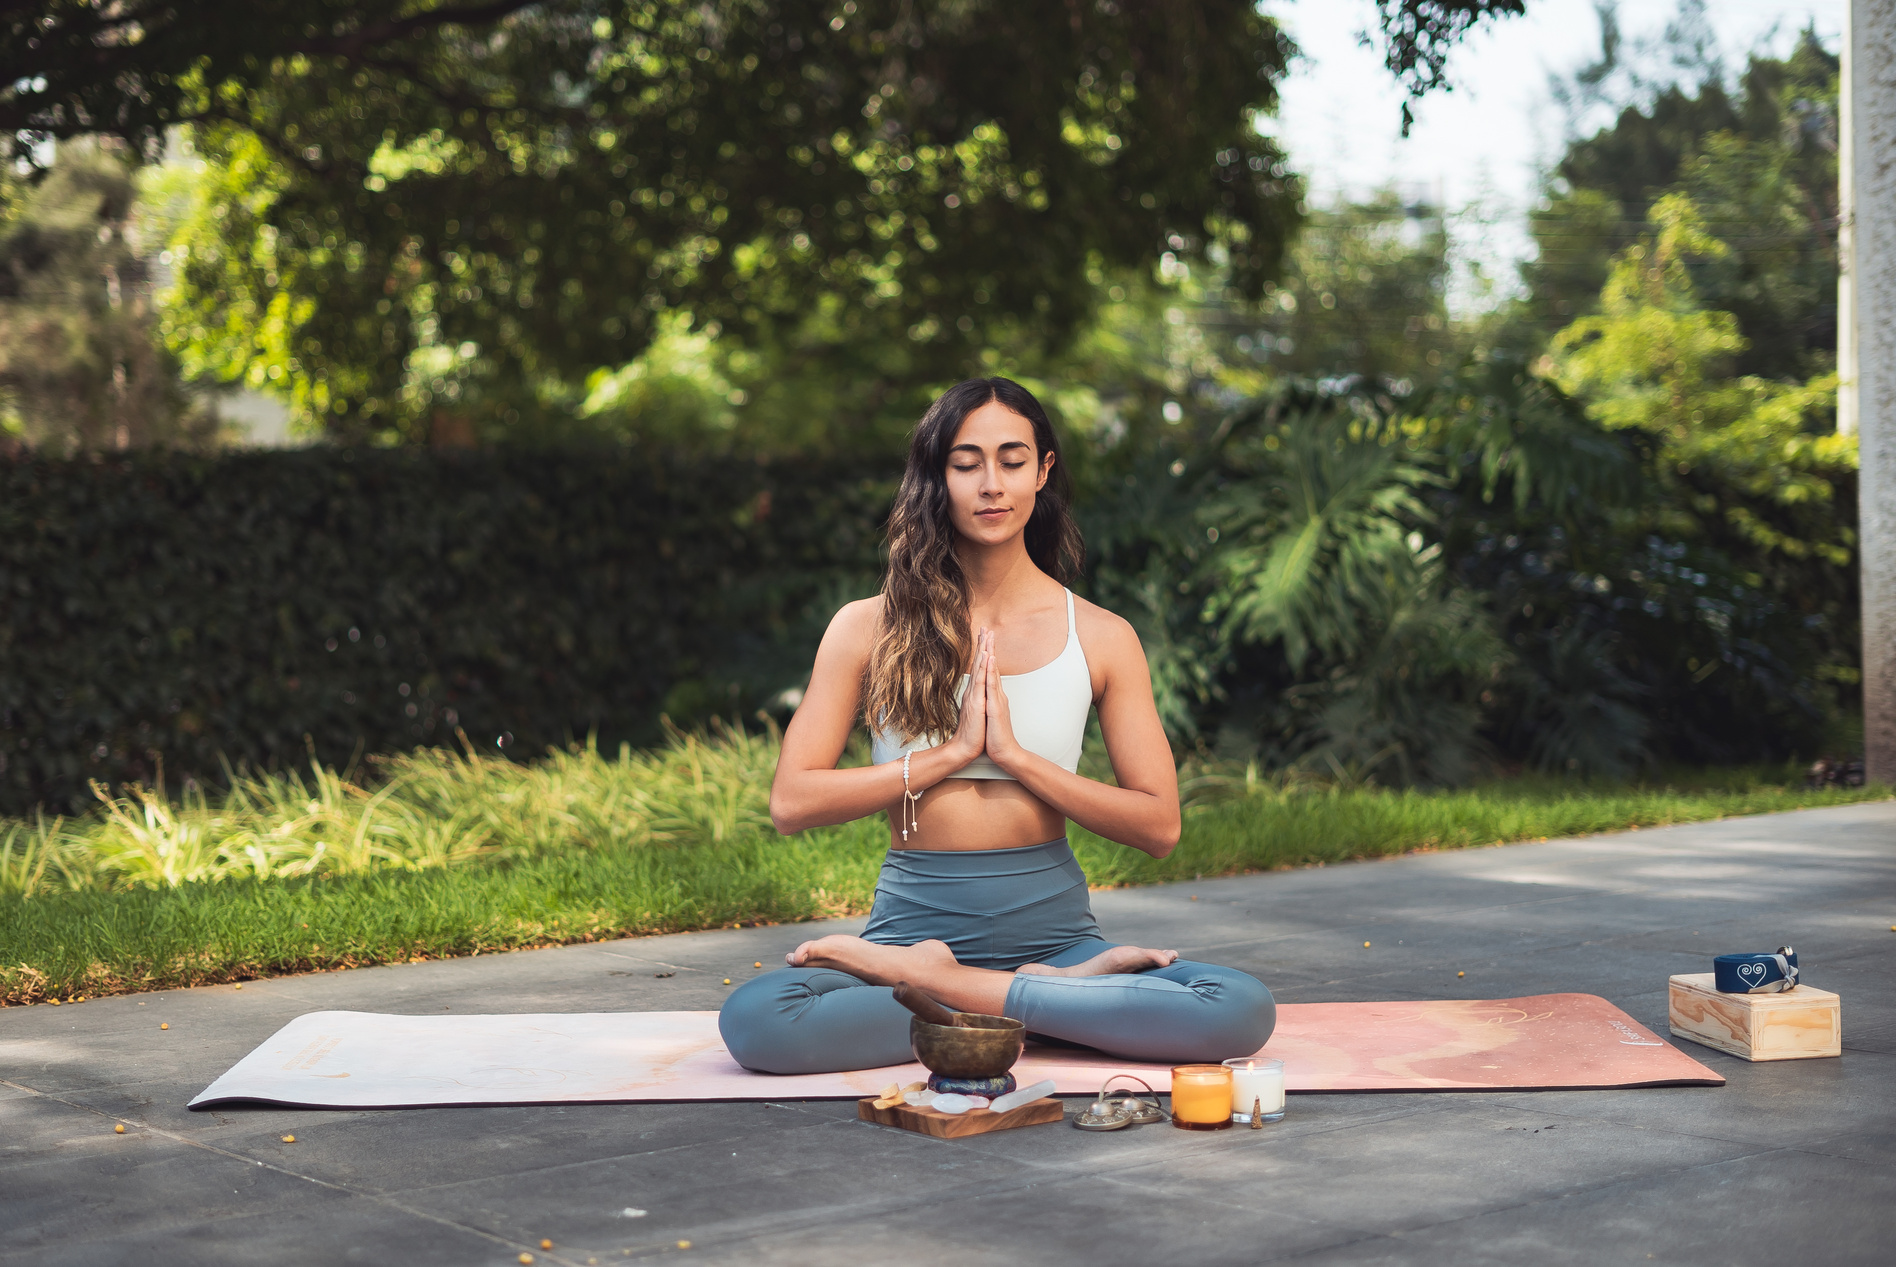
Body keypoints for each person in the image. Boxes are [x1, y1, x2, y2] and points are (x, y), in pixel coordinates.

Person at [718, 377, 1274, 1074]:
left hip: (1056, 938)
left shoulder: (1101, 635)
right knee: (758, 1020)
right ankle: (1058, 1003)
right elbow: (792, 802)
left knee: (1239, 1007)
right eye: (966, 463)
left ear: (1043, 471)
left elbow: (1159, 827)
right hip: (910, 929)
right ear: (938, 476)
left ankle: (950, 991)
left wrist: (1016, 757)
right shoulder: (867, 627)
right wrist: (950, 754)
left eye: (1013, 461)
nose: (991, 484)